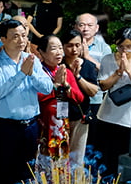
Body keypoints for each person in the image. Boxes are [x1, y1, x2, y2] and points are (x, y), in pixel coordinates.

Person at [0, 19, 53, 184]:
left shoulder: (32, 60)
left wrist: (31, 73)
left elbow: (47, 88)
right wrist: (22, 73)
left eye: (24, 35)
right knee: (3, 174)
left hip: (30, 126)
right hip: (5, 128)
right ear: (3, 39)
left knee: (28, 173)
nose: (21, 40)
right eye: (15, 36)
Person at [35, 34, 85, 162]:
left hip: (61, 123)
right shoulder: (37, 71)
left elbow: (79, 98)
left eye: (60, 48)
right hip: (42, 122)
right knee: (42, 160)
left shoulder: (65, 72)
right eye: (53, 48)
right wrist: (55, 86)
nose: (59, 52)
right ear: (42, 52)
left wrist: (66, 86)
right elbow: (35, 97)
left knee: (61, 160)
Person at [96, 27, 131, 178]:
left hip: (129, 117)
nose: (124, 51)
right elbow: (103, 85)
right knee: (107, 154)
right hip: (108, 114)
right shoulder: (108, 59)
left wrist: (129, 70)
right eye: (121, 47)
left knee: (124, 155)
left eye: (129, 47)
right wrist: (118, 73)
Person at [61, 29, 99, 164]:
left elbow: (94, 91)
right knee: (59, 155)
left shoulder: (88, 66)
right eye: (70, 45)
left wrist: (78, 77)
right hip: (60, 117)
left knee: (77, 157)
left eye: (77, 45)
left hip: (80, 116)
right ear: (63, 46)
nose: (74, 49)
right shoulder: (58, 65)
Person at [74, 13, 112, 147]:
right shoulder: (70, 44)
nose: (85, 29)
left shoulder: (104, 47)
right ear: (76, 26)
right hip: (73, 97)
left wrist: (87, 57)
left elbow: (108, 72)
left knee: (92, 138)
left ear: (96, 28)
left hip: (95, 98)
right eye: (82, 25)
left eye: (89, 25)